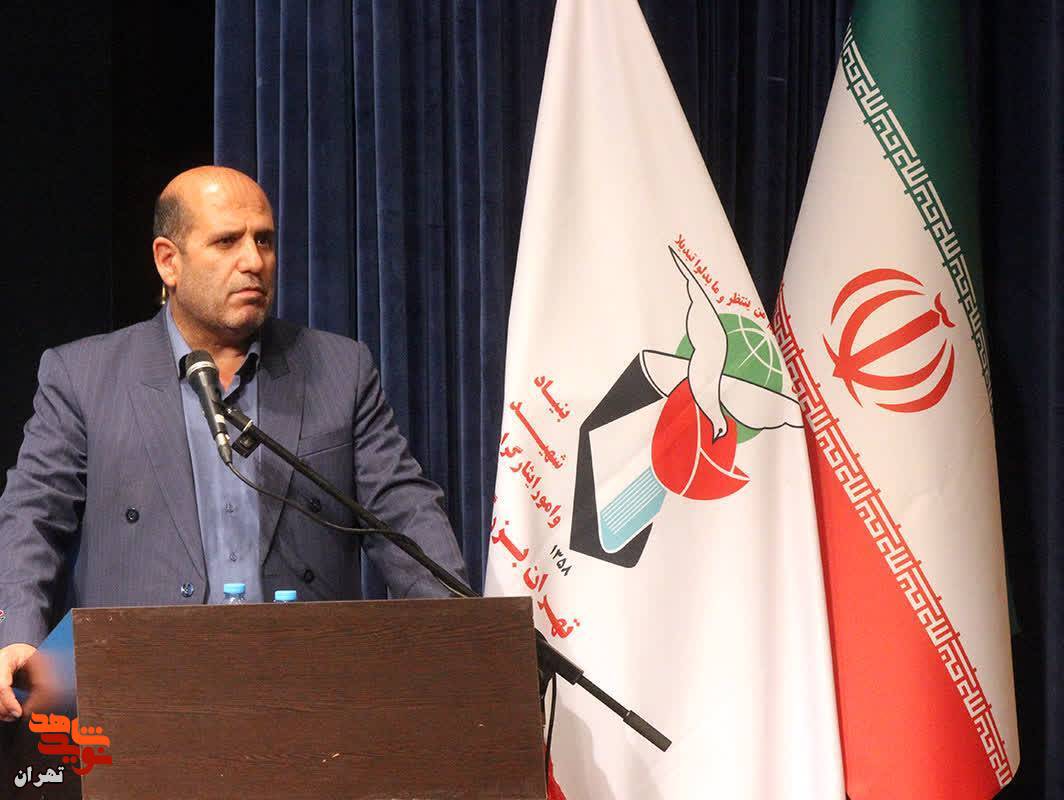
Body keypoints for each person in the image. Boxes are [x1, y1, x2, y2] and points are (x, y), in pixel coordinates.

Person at [0, 166, 467, 722]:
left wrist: (463, 633)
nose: (253, 261)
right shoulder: (83, 376)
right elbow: (33, 515)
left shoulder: (340, 369)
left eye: (264, 240)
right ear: (168, 261)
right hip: (141, 695)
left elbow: (401, 510)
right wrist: (15, 634)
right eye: (227, 241)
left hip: (307, 695)